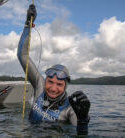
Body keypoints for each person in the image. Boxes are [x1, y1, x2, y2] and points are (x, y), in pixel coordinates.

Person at [17, 4, 90, 135]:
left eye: (59, 84)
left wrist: (83, 120)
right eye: (50, 82)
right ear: (45, 81)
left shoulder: (70, 109)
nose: (53, 88)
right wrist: (28, 24)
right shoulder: (39, 85)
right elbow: (22, 55)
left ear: (66, 86)